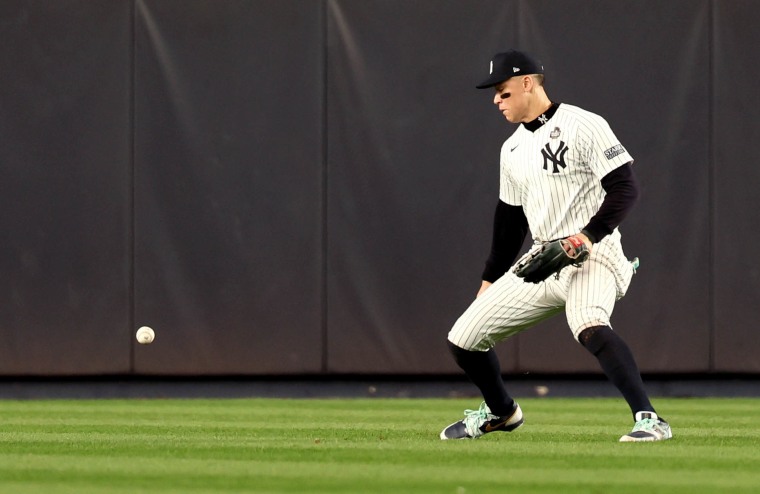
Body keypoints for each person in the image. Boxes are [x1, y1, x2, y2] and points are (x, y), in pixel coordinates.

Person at [440, 49, 672, 442]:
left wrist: (586, 236)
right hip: (542, 259)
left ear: (527, 83)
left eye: (503, 91)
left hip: (593, 252)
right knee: (463, 338)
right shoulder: (511, 149)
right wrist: (489, 279)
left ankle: (650, 419)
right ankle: (502, 414)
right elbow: (509, 222)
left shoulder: (584, 124)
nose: (496, 100)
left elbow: (625, 188)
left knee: (588, 325)